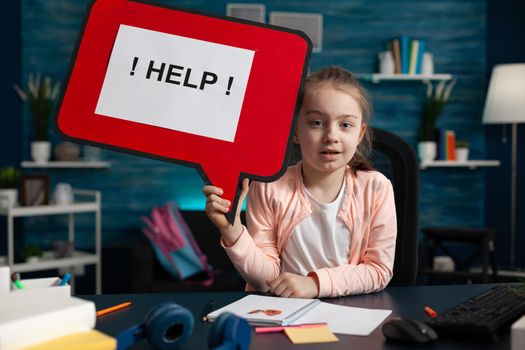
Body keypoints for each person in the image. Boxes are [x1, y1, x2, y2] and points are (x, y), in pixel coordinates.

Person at [203, 66, 396, 298]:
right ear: (295, 131)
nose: (331, 136)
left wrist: (314, 285)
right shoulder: (267, 187)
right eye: (316, 123)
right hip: (284, 313)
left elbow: (378, 270)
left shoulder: (377, 188)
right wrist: (233, 232)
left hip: (352, 311)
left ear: (360, 134)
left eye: (345, 125)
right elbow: (266, 280)